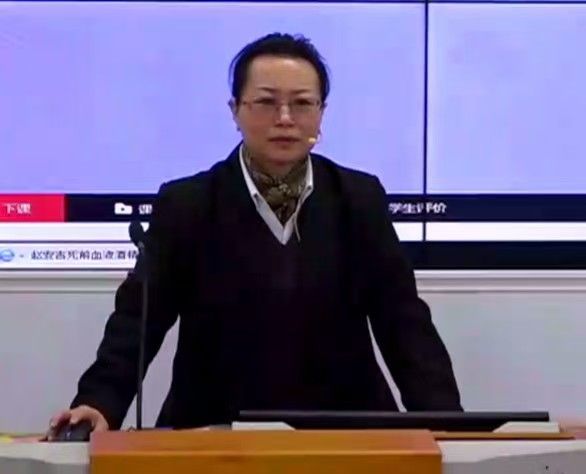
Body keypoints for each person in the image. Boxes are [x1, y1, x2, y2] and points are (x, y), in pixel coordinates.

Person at [48, 32, 461, 436]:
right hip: (214, 428)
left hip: (345, 427)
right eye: (266, 102)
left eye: (302, 103)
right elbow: (138, 320)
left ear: (321, 112)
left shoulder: (358, 198)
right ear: (236, 110)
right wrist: (99, 402)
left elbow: (403, 321)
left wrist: (446, 421)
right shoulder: (188, 203)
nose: (285, 119)